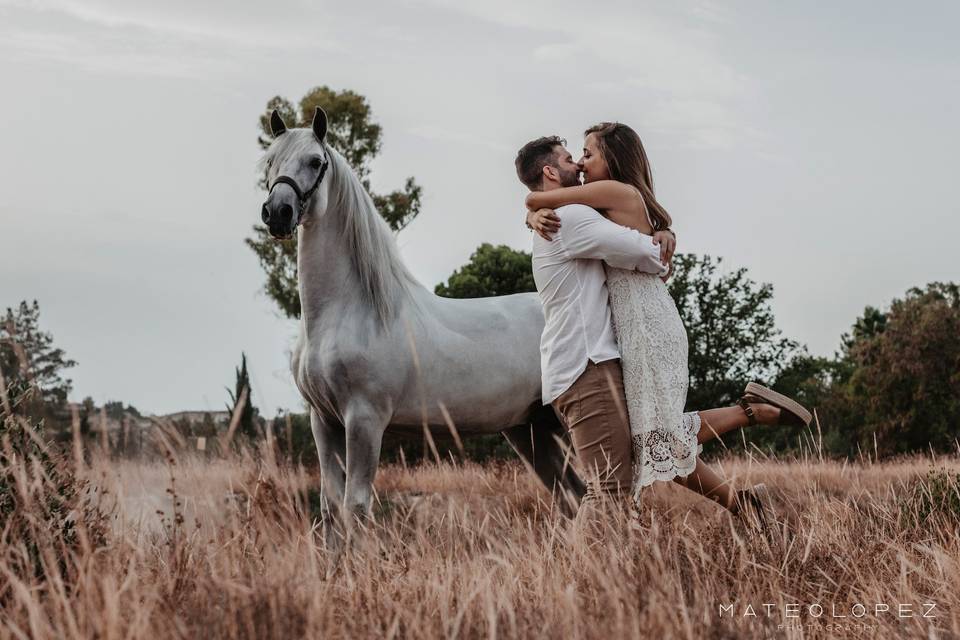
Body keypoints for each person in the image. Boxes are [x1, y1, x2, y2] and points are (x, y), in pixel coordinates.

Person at [517, 129, 811, 529]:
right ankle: (748, 447)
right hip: (598, 352)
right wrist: (531, 211)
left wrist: (532, 206)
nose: (581, 163)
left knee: (641, 454)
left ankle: (583, 584)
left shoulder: (583, 208)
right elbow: (648, 253)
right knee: (654, 442)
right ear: (551, 172)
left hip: (632, 332)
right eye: (573, 158)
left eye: (586, 154)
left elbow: (650, 255)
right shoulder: (571, 216)